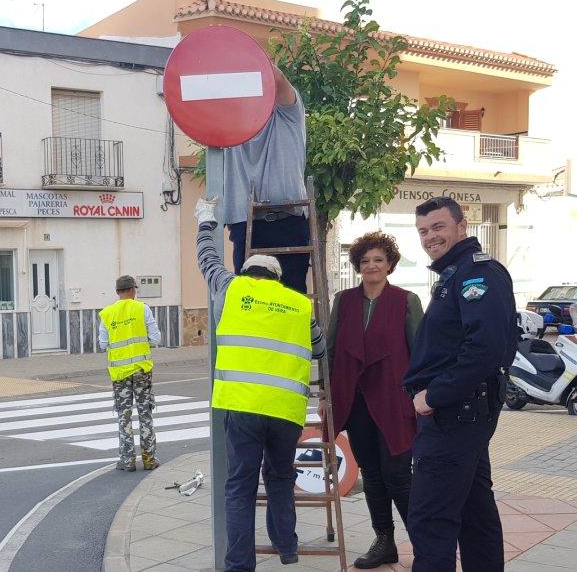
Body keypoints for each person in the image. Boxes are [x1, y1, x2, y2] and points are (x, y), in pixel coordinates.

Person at [195, 197, 324, 571]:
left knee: (240, 488)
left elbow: (207, 259)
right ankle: (287, 546)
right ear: (278, 279)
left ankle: (240, 565)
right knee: (282, 478)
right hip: (286, 412)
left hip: (243, 407)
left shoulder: (229, 287)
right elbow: (318, 349)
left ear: (247, 270)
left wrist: (206, 220)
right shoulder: (298, 304)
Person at [401, 197, 517, 572]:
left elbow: (485, 349)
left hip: (454, 414)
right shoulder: (457, 273)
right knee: (474, 512)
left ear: (461, 226)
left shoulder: (476, 274)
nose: (430, 237)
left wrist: (434, 395)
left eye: (438, 227)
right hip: (461, 414)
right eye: (423, 231)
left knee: (430, 520)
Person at [320, 232, 423, 568]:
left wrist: (421, 397)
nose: (371, 265)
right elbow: (331, 351)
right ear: (358, 266)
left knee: (398, 476)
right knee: (374, 475)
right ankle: (384, 542)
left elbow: (420, 355)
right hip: (356, 399)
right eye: (365, 260)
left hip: (394, 401)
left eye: (378, 259)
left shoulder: (406, 301)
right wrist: (326, 394)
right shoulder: (344, 301)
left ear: (390, 264)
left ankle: (425, 546)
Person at [223, 63, 310, 292]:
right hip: (244, 222)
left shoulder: (286, 113)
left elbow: (278, 77)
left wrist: (242, 58)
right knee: (251, 300)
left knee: (290, 297)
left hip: (287, 219)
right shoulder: (229, 123)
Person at [98, 275, 163, 472]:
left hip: (119, 374)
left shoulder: (107, 314)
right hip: (142, 370)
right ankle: (149, 459)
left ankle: (127, 461)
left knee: (124, 416)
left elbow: (103, 344)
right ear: (133, 290)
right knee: (145, 414)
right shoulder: (142, 309)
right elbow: (156, 338)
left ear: (117, 292)